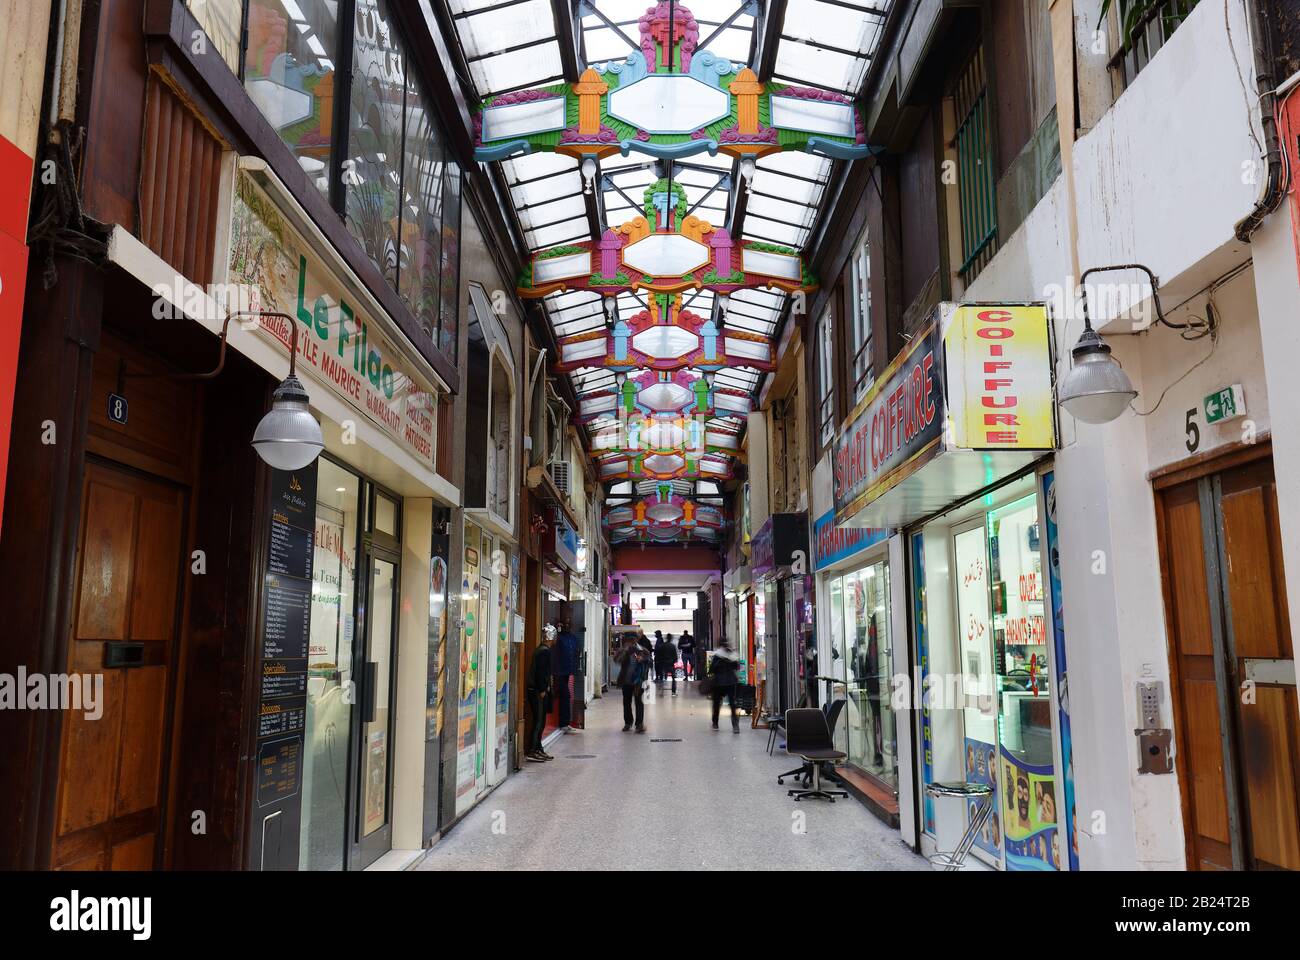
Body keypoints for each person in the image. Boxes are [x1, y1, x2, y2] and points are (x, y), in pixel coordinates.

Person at [525, 631, 555, 762]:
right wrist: (543, 689)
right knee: (539, 721)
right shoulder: (544, 652)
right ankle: (533, 750)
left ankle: (538, 748)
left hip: (536, 690)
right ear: (550, 638)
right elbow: (541, 672)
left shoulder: (540, 650)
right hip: (537, 691)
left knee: (540, 720)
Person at [614, 633, 650, 733]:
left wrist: (642, 659)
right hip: (626, 681)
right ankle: (628, 723)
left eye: (633, 640)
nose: (631, 643)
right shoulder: (624, 650)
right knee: (626, 702)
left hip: (639, 681)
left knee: (639, 702)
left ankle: (639, 724)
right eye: (629, 641)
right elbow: (616, 660)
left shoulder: (643, 650)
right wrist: (623, 650)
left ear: (636, 640)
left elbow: (650, 662)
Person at [552, 618, 581, 734]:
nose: (567, 626)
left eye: (569, 624)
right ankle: (564, 723)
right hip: (558, 672)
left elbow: (576, 652)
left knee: (565, 696)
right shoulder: (559, 638)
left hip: (568, 671)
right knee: (565, 696)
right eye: (565, 624)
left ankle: (565, 723)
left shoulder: (573, 638)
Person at [709, 637, 741, 733]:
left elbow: (711, 669)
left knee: (716, 704)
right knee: (732, 704)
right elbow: (737, 667)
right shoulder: (732, 654)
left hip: (719, 683)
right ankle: (735, 726)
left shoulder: (717, 655)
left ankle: (715, 724)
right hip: (731, 682)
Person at [654, 632, 678, 696]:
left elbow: (659, 655)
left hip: (663, 664)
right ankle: (673, 692)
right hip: (670, 664)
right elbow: (675, 657)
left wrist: (660, 661)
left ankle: (662, 692)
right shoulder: (672, 646)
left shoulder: (662, 646)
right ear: (671, 639)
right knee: (673, 678)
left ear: (666, 638)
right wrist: (673, 661)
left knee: (662, 678)